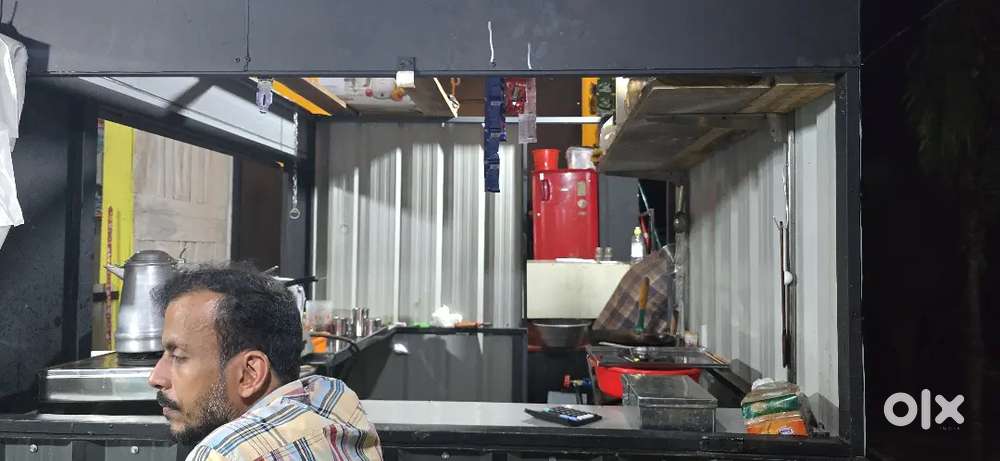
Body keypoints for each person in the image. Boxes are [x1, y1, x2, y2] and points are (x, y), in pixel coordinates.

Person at [147, 266, 382, 461]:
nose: (156, 378)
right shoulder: (338, 405)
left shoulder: (223, 454)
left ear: (250, 374)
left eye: (178, 356)